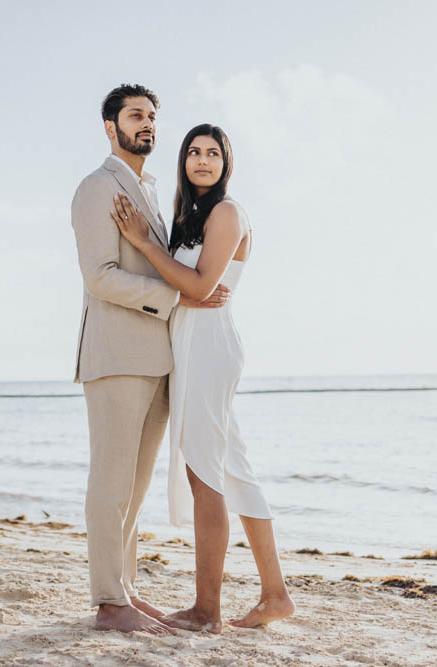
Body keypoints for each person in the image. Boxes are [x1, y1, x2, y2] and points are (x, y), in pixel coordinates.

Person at [111, 124, 295, 633]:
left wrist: (145, 245)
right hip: (193, 346)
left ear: (226, 164)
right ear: (184, 161)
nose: (202, 160)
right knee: (232, 469)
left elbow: (197, 284)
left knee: (204, 472)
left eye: (213, 153)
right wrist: (173, 275)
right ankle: (275, 595)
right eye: (194, 151)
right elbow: (184, 288)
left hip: (211, 347)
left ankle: (207, 610)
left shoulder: (229, 213)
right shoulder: (189, 219)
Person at [70, 85, 230, 634]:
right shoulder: (96, 188)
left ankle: (127, 591)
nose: (147, 125)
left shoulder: (150, 191)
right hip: (115, 355)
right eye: (135, 116)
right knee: (109, 485)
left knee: (133, 491)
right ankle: (108, 601)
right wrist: (176, 297)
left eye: (152, 117)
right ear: (110, 127)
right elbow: (99, 277)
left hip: (157, 360)